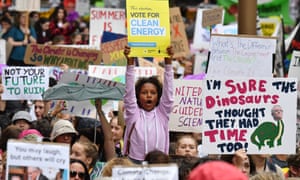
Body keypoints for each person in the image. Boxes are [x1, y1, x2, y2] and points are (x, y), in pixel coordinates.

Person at [123, 45, 174, 163]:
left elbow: (169, 93)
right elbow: (129, 93)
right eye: (144, 93)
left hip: (158, 163)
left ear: (158, 96)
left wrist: (168, 63)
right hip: (135, 162)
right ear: (138, 96)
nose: (149, 95)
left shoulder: (162, 113)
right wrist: (130, 62)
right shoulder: (133, 114)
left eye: (153, 93)